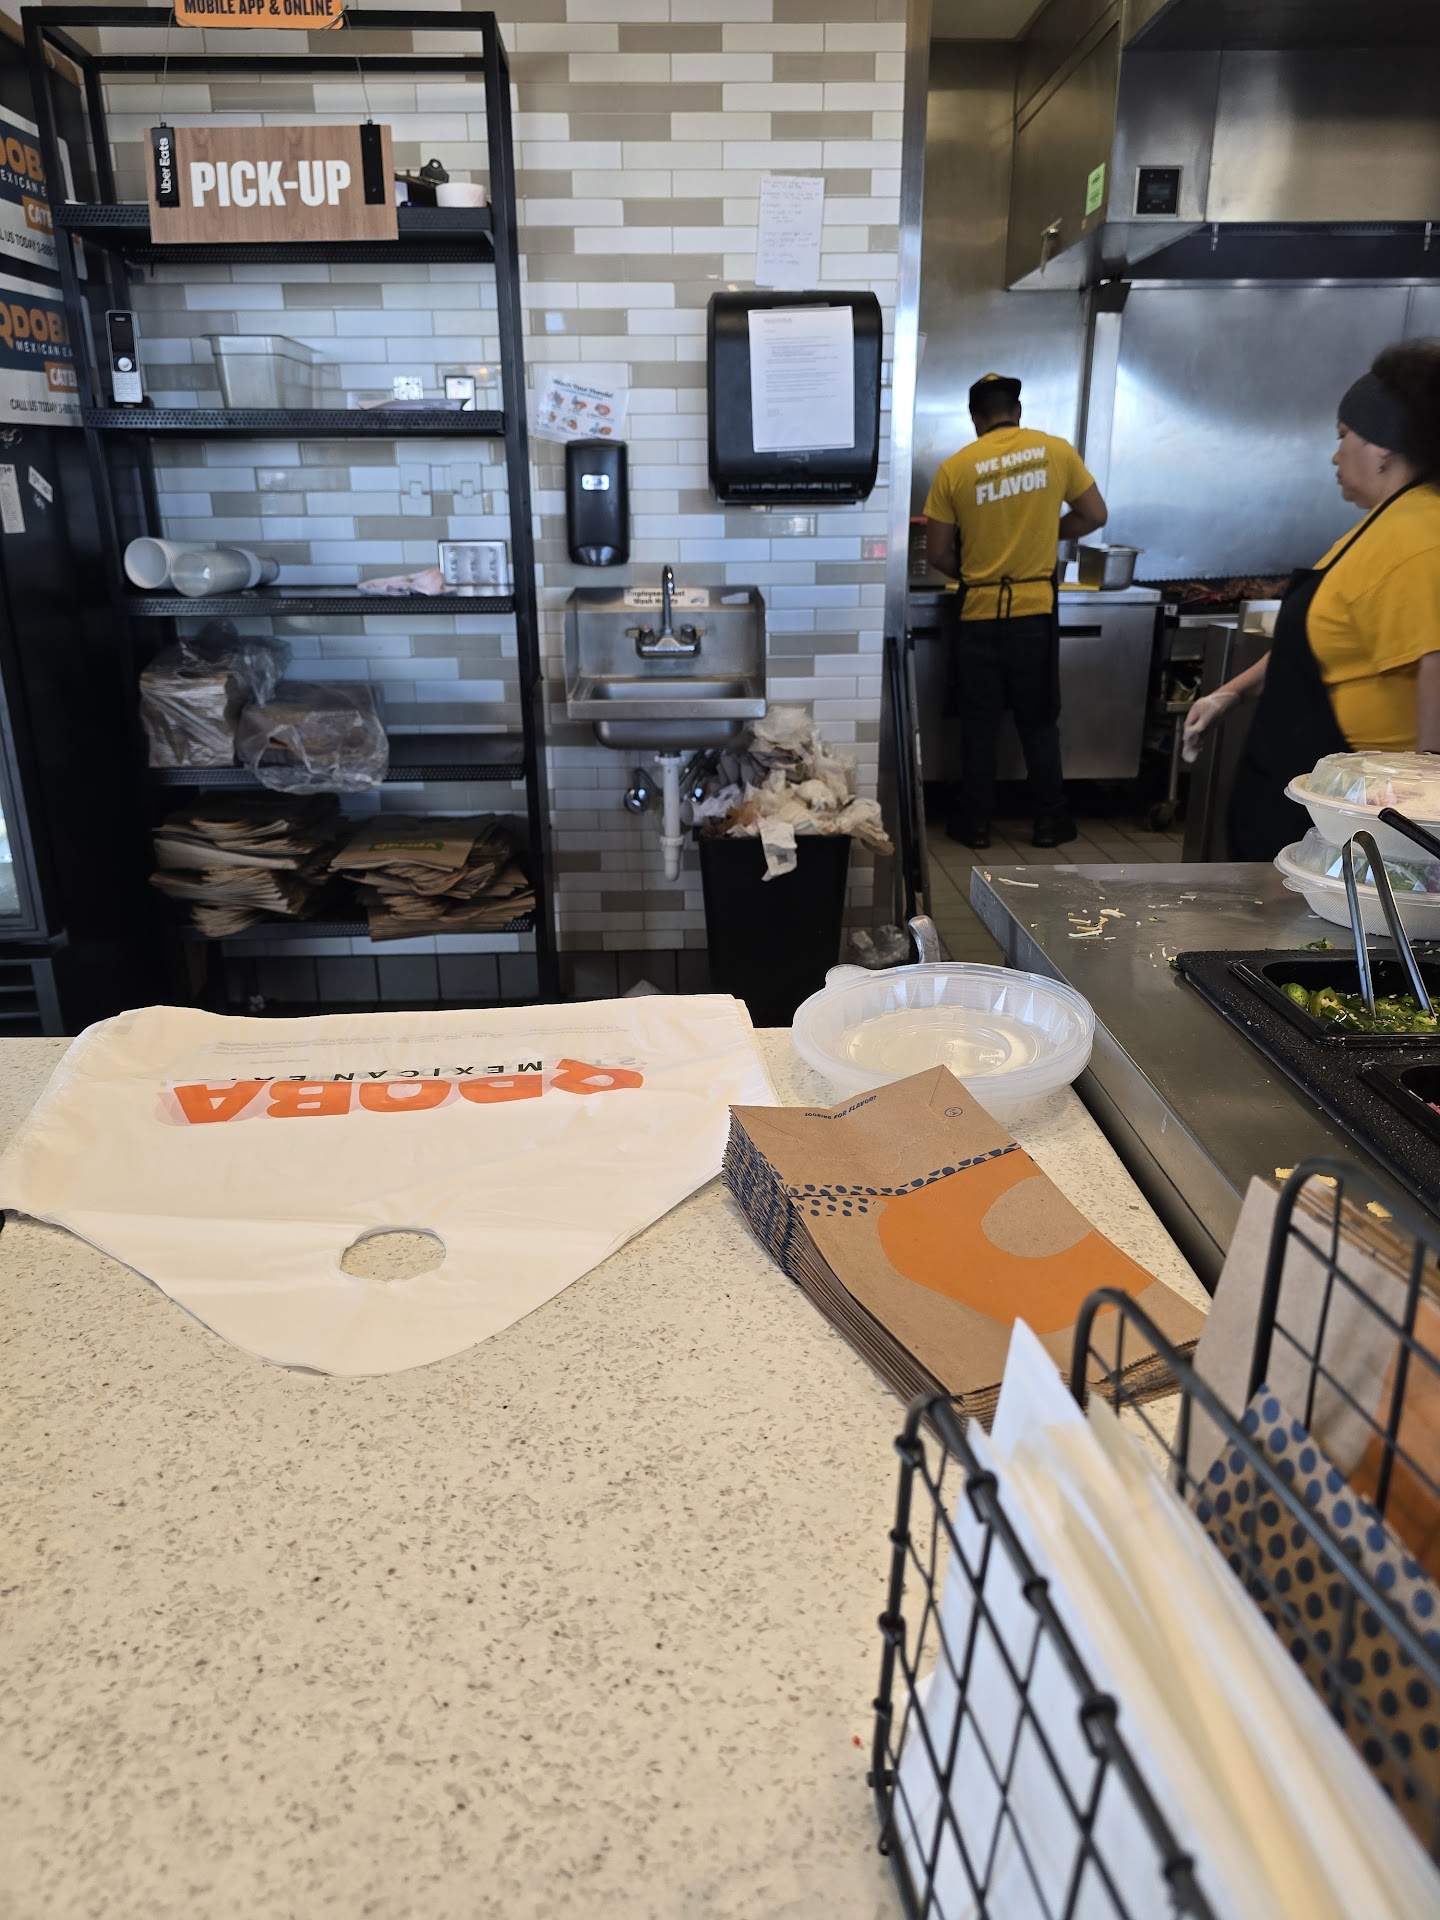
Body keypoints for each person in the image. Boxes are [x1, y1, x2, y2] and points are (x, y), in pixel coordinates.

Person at [1183, 338, 1440, 862]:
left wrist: (1422, 832)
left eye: (1344, 436)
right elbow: (1320, 643)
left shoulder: (1417, 535)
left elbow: (1436, 670)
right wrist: (1227, 694)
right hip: (1314, 805)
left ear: (1383, 446)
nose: (1335, 454)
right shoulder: (1381, 527)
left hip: (1361, 827)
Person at [923, 373, 1108, 849]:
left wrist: (974, 566)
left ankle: (975, 823)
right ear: (1017, 410)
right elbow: (1094, 514)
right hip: (1033, 611)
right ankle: (1050, 821)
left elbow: (937, 552)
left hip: (978, 614)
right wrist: (1045, 532)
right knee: (1038, 721)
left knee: (979, 724)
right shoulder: (1056, 452)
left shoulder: (955, 468)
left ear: (975, 418)